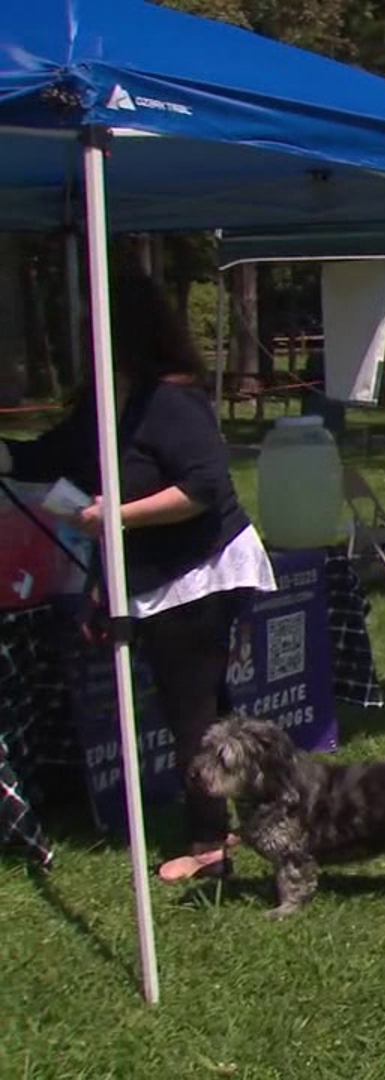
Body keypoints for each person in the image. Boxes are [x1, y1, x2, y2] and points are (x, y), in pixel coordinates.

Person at [2, 273, 276, 884]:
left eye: (91, 327)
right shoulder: (108, 400)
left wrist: (115, 516)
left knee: (191, 712)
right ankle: (256, 812)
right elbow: (48, 455)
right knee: (206, 707)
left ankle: (208, 846)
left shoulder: (171, 400)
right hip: (156, 570)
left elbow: (204, 488)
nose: (82, 339)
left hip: (202, 568)